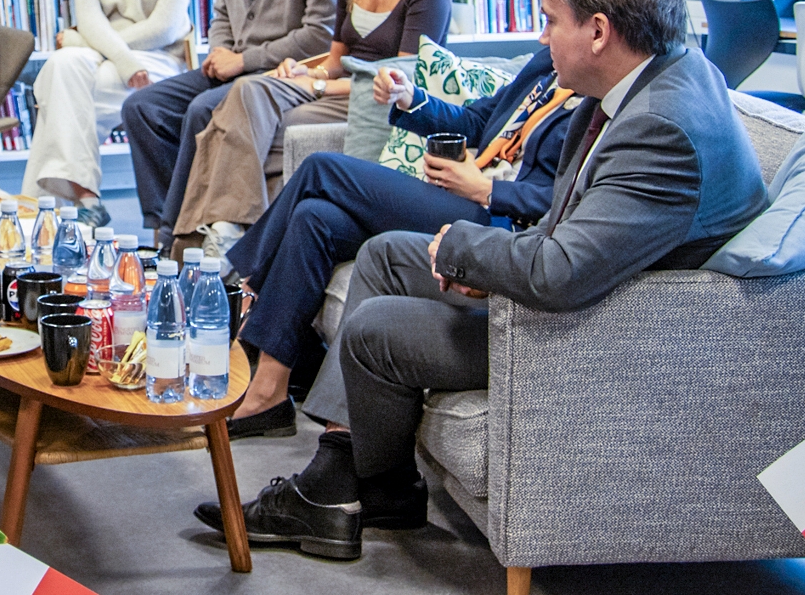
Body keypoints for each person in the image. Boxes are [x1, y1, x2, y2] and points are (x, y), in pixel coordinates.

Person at [194, 0, 768, 561]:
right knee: (385, 253)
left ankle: (337, 486)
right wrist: (481, 258)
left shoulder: (659, 127)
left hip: (596, 333)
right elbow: (570, 229)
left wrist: (467, 252)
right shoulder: (650, 81)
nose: (543, 37)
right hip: (581, 286)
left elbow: (559, 269)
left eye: (551, 22)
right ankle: (371, 485)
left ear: (599, 31)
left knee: (376, 327)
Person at [220, 46, 577, 440]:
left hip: (494, 221)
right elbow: (477, 120)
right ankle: (268, 394)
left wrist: (490, 189)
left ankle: (241, 293)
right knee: (313, 218)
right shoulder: (548, 65)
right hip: (464, 192)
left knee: (322, 167)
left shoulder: (597, 102)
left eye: (552, 22)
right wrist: (411, 98)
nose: (543, 35)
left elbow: (568, 200)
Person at [174, 0, 451, 242]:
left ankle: (207, 236)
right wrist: (301, 68)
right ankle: (227, 231)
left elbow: (401, 83)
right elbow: (336, 57)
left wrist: (318, 84)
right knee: (248, 92)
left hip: (377, 100)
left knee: (236, 129)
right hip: (336, 84)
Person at [121, 0, 346, 249]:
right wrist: (218, 54)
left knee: (201, 110)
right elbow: (224, 11)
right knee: (142, 108)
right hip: (236, 65)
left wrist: (243, 59)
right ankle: (159, 221)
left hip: (284, 74)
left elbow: (320, 35)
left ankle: (177, 236)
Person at [19, 0, 196, 225]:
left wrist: (85, 41)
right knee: (61, 65)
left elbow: (162, 28)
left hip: (159, 58)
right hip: (112, 57)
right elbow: (90, 18)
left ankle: (46, 214)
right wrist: (112, 53)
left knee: (60, 102)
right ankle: (86, 199)